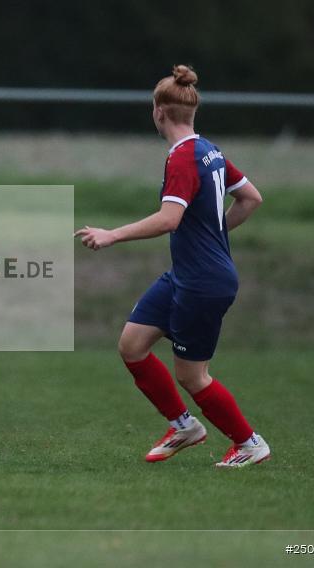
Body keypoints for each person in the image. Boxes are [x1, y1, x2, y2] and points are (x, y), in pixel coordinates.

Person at [74, 66, 270, 468]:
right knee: (132, 345)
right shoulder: (209, 150)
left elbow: (169, 219)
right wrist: (214, 234)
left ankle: (250, 443)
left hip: (203, 282)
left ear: (158, 112)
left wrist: (113, 234)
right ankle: (184, 426)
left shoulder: (183, 158)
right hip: (188, 274)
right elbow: (251, 198)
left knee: (192, 377)